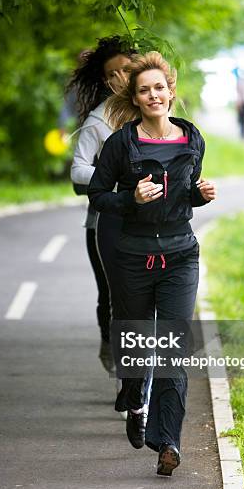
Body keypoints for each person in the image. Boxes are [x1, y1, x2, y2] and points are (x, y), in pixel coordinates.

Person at [87, 51, 216, 476]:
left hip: (180, 253)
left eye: (159, 87)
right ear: (136, 98)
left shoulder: (192, 137)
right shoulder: (120, 143)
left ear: (171, 91)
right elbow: (99, 195)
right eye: (144, 90)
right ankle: (134, 396)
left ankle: (169, 443)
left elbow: (184, 194)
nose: (153, 94)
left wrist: (200, 193)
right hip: (133, 257)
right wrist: (132, 198)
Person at [68, 37, 137, 373]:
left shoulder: (153, 107)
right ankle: (112, 350)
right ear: (106, 80)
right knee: (110, 296)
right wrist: (115, 175)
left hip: (151, 223)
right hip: (104, 223)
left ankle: (143, 368)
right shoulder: (99, 119)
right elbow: (78, 169)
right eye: (113, 74)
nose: (121, 77)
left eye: (127, 69)